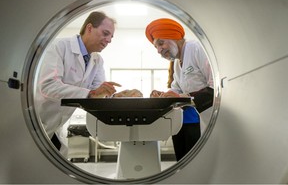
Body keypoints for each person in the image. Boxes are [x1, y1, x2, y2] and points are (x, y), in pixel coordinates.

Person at [34, 11, 137, 152]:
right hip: (35, 121)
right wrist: (91, 93)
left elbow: (97, 95)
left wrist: (115, 96)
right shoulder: (58, 47)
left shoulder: (97, 60)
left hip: (56, 126)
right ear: (89, 28)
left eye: (111, 37)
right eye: (105, 33)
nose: (109, 40)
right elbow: (48, 86)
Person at [145, 18, 214, 161]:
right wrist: (162, 95)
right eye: (156, 47)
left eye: (160, 43)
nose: (159, 50)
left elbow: (215, 88)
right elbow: (176, 90)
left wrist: (185, 97)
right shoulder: (177, 63)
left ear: (174, 36)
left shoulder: (195, 48)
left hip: (211, 119)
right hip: (197, 120)